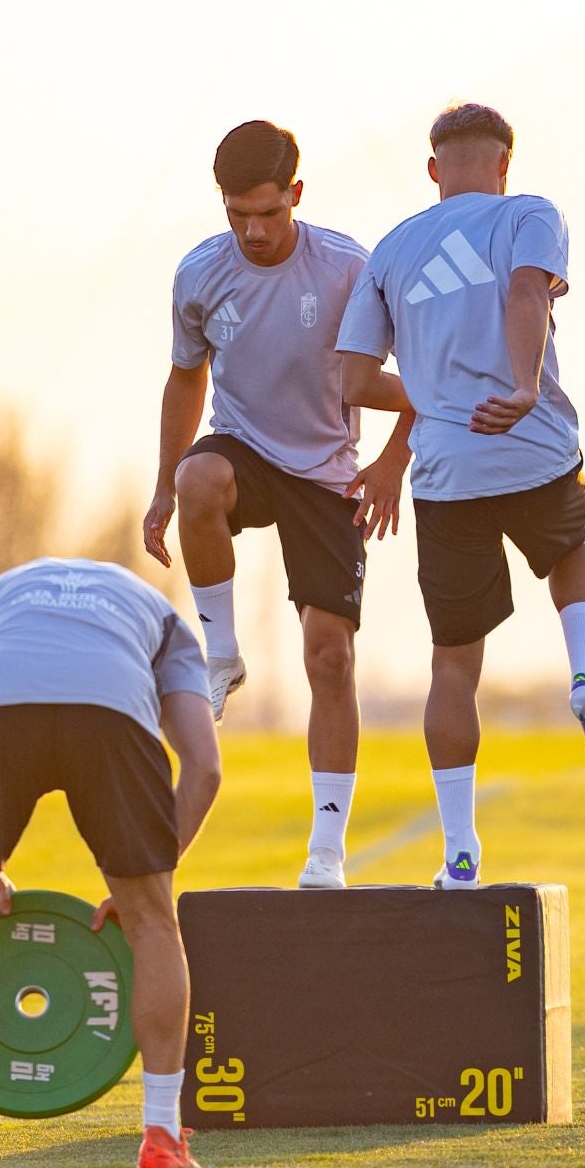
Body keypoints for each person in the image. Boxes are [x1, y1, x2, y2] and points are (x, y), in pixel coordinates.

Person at [335, 102, 585, 892]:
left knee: (454, 668)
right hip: (530, 444)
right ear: (504, 165)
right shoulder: (529, 215)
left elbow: (355, 381)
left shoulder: (392, 251)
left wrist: (431, 402)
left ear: (434, 170)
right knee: (572, 552)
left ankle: (460, 852)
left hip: (445, 471)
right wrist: (526, 387)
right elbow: (526, 295)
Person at [143, 120, 415, 891]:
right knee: (201, 484)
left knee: (330, 656)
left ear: (296, 194)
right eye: (238, 215)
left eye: (268, 212)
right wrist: (164, 484)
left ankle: (327, 848)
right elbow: (185, 379)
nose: (254, 231)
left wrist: (394, 457)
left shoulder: (350, 269)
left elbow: (421, 372)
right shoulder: (199, 275)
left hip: (328, 474)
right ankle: (220, 653)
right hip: (245, 451)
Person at [0, 557, 221, 1168]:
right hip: (112, 715)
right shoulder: (166, 618)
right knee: (153, 925)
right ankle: (164, 1139)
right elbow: (205, 766)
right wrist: (154, 875)